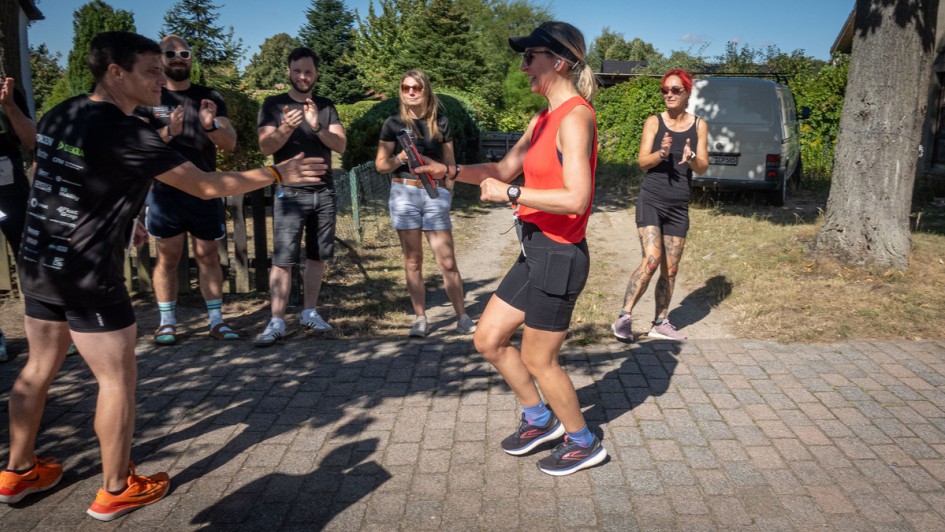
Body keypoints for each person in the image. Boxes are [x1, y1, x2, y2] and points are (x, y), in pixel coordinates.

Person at [0, 31, 326, 520]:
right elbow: (206, 185)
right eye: (150, 71)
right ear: (116, 72)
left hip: (39, 262)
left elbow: (70, 172)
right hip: (87, 273)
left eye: (162, 68)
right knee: (117, 380)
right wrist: (279, 173)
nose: (163, 78)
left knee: (38, 368)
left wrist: (123, 217)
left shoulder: (63, 111)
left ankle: (18, 471)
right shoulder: (126, 131)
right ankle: (115, 489)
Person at [414, 21, 606, 476]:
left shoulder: (576, 117)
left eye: (530, 57)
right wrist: (446, 171)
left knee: (539, 358)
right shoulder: (541, 119)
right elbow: (502, 167)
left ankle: (583, 441)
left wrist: (512, 195)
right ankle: (540, 419)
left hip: (560, 255)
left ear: (558, 62)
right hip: (535, 250)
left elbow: (577, 198)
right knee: (487, 339)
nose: (522, 67)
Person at [139, 35, 240, 345]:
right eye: (171, 54)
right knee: (167, 258)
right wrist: (170, 131)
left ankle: (216, 321)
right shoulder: (148, 97)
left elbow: (230, 142)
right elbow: (139, 149)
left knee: (208, 255)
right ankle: (167, 323)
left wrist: (210, 126)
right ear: (160, 59)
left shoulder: (208, 96)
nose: (178, 58)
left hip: (204, 190)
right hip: (164, 191)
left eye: (184, 53)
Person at [254, 46, 347, 347]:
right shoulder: (273, 104)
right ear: (288, 72)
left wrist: (316, 125)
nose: (303, 76)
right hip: (289, 193)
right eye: (297, 71)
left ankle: (309, 312)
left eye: (308, 71)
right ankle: (277, 321)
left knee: (316, 257)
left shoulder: (325, 105)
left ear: (316, 74)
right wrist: (286, 127)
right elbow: (266, 148)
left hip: (324, 192)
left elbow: (340, 145)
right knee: (283, 259)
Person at [374, 70, 476, 337]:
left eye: (416, 87)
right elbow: (381, 165)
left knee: (447, 261)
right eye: (405, 87)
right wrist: (399, 159)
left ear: (426, 90)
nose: (410, 92)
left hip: (433, 195)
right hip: (403, 194)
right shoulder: (393, 123)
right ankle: (420, 318)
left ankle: (462, 317)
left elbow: (450, 166)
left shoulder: (440, 123)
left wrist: (447, 194)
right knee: (413, 261)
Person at [610, 69, 708, 342]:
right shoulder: (653, 122)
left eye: (675, 90)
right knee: (652, 260)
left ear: (687, 93)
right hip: (651, 200)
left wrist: (690, 159)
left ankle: (660, 322)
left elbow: (702, 166)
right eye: (665, 90)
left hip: (679, 205)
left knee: (671, 269)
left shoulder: (699, 125)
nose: (669, 94)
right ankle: (624, 318)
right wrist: (661, 153)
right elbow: (642, 162)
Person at [0, 76, 34, 362]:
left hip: (12, 191)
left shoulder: (8, 90)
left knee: (29, 257)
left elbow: (30, 140)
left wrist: (9, 106)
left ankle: (46, 329)